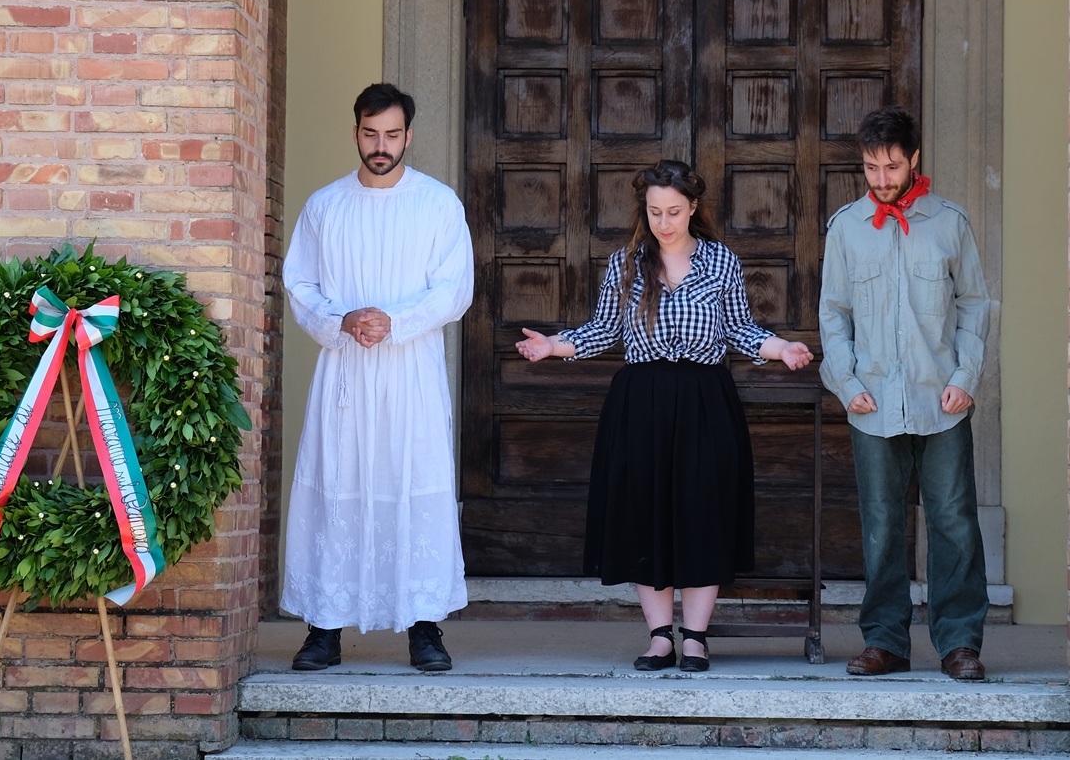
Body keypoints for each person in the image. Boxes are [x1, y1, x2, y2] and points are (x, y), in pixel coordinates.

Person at [516, 160, 813, 672]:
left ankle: (695, 637)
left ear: (693, 208)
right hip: (641, 400)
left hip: (704, 399)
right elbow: (601, 330)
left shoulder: (720, 262)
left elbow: (741, 330)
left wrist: (782, 348)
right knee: (644, 514)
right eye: (654, 212)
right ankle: (659, 637)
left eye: (674, 211)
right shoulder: (626, 263)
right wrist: (553, 346)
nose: (664, 222)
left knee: (702, 511)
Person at [281, 82, 474, 673]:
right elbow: (300, 283)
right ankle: (324, 628)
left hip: (410, 372)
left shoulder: (439, 205)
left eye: (392, 135)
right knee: (338, 483)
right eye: (370, 134)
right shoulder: (325, 207)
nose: (380, 146)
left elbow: (453, 289)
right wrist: (343, 320)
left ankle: (424, 628)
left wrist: (395, 321)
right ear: (356, 132)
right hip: (345, 373)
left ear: (409, 135)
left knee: (413, 484)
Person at [818, 106, 991, 681]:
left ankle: (960, 643)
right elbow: (834, 312)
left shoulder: (950, 222)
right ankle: (886, 641)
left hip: (940, 400)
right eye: (872, 167)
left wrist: (965, 377)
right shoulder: (845, 228)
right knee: (882, 524)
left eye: (892, 166)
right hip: (871, 403)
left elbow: (974, 304)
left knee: (954, 522)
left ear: (913, 159)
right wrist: (845, 382)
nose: (882, 178)